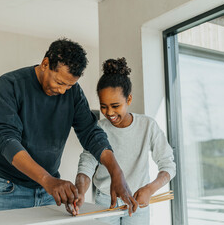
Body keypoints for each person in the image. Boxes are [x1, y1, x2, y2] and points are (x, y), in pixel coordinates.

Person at [0, 39, 138, 216]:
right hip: (8, 185)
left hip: (49, 188)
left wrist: (116, 171)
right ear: (45, 64)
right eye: (59, 82)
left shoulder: (73, 93)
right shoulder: (10, 84)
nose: (63, 91)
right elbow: (6, 139)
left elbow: (90, 132)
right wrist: (47, 180)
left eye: (69, 85)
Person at [75, 57, 176, 224]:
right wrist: (80, 190)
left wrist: (150, 189)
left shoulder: (148, 125)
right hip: (105, 201)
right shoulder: (98, 128)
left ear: (128, 100)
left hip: (138, 200)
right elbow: (87, 163)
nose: (109, 112)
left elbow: (168, 165)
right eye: (103, 106)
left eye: (115, 106)